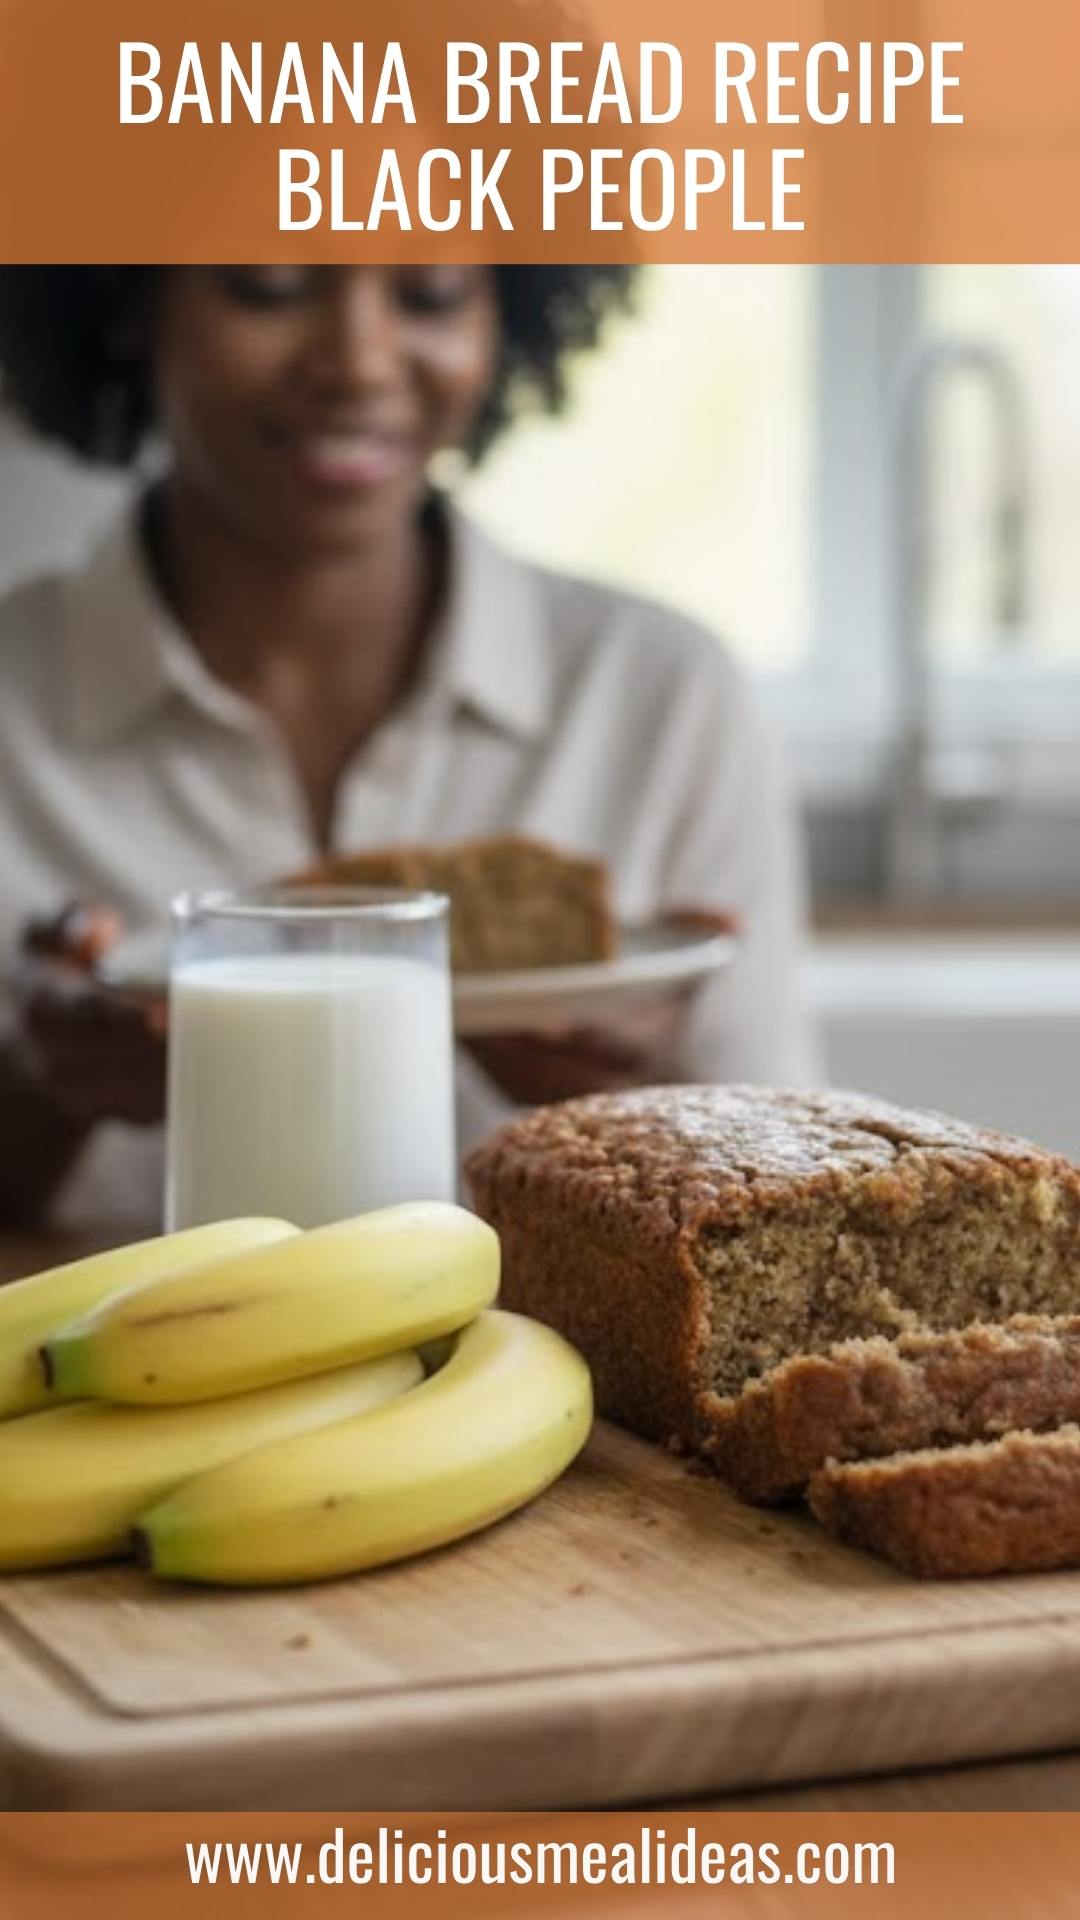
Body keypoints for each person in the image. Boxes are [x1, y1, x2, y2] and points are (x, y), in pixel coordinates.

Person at [0, 264, 817, 1233]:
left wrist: (647, 1100)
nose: (358, 361)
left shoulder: (660, 694)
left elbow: (787, 1202)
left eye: (427, 295)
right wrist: (46, 1091)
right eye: (269, 285)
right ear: (128, 298)